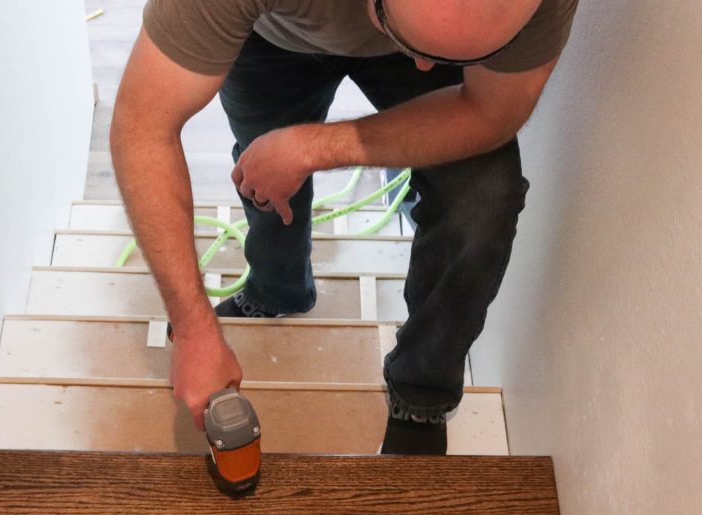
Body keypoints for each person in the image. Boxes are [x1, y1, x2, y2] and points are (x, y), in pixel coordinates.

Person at [110, 0, 578, 454]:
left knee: (482, 198)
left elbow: (490, 110)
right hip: (272, 36)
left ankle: (420, 395)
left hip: (422, 27)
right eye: (411, 43)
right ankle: (276, 288)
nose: (422, 68)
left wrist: (311, 148)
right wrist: (193, 332)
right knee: (264, 169)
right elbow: (142, 125)